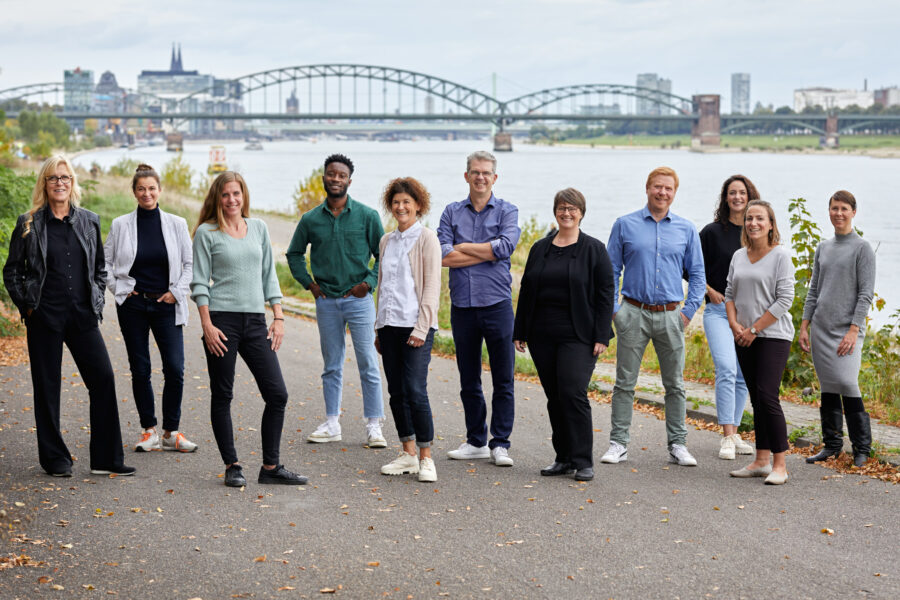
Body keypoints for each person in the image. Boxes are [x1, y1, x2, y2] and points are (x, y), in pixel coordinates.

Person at [3, 155, 134, 477]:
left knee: (103, 378)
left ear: (72, 182)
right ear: (44, 184)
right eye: (53, 178)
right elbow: (12, 272)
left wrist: (97, 300)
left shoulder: (89, 220)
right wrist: (29, 308)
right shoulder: (29, 223)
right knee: (47, 388)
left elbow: (100, 269)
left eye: (65, 177)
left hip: (82, 316)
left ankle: (106, 458)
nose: (60, 183)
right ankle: (55, 459)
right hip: (44, 317)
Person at [191, 171, 306, 487]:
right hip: (221, 322)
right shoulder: (207, 233)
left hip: (255, 321)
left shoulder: (258, 228)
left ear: (244, 196)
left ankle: (271, 468)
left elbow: (269, 275)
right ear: (218, 197)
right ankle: (232, 465)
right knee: (223, 394)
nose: (231, 200)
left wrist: (278, 316)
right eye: (225, 194)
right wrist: (207, 325)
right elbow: (199, 282)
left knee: (277, 394)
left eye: (236, 194)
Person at [602, 167, 705, 467]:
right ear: (647, 188)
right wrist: (615, 311)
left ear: (674, 192)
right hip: (632, 312)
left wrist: (687, 313)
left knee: (675, 385)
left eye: (668, 188)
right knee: (624, 383)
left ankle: (678, 444)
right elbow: (611, 271)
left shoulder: (686, 229)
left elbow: (698, 275)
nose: (662, 193)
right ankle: (618, 443)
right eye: (657, 187)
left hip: (672, 315)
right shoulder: (625, 225)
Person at [513, 189, 614, 482]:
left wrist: (601, 336)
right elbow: (527, 290)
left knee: (572, 392)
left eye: (572, 208)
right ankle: (563, 457)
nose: (566, 213)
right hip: (542, 335)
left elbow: (606, 293)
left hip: (579, 336)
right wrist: (520, 331)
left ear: (581, 212)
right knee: (555, 397)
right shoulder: (540, 248)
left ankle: (583, 460)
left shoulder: (594, 249)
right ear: (555, 212)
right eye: (561, 208)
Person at [286, 154, 386, 447]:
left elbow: (384, 254)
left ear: (349, 181)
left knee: (368, 362)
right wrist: (309, 285)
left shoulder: (367, 216)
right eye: (332, 174)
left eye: (342, 175)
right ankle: (332, 423)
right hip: (327, 301)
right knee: (332, 364)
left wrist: (369, 283)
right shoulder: (311, 219)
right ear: (324, 178)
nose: (336, 179)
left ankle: (374, 426)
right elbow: (293, 254)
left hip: (359, 300)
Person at [104, 164, 197, 453]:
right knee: (140, 368)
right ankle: (149, 431)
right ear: (134, 192)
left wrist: (176, 292)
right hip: (133, 305)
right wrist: (119, 290)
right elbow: (103, 265)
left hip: (166, 304)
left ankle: (171, 431)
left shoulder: (177, 224)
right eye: (141, 189)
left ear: (159, 190)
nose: (147, 193)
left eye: (151, 188)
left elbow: (189, 266)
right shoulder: (121, 225)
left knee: (175, 367)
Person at [437, 151, 520, 467]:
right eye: (475, 172)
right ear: (466, 176)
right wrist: (488, 251)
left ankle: (500, 443)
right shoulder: (451, 212)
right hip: (462, 306)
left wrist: (463, 247)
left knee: (503, 378)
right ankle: (476, 441)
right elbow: (443, 255)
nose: (480, 177)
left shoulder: (508, 210)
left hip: (498, 305)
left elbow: (506, 247)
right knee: (468, 378)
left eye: (486, 173)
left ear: (494, 178)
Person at [800, 190, 876, 468]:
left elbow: (865, 294)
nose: (839, 213)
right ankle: (831, 446)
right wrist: (805, 325)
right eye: (834, 208)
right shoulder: (823, 247)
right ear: (829, 210)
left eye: (844, 208)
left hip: (847, 329)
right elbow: (814, 290)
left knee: (847, 382)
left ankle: (862, 448)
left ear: (853, 212)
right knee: (828, 386)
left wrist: (854, 330)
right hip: (821, 327)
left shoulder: (862, 248)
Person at [374, 178, 441, 483]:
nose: (401, 207)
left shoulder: (427, 239)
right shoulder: (387, 241)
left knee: (416, 390)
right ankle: (408, 454)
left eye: (406, 202)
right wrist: (379, 326)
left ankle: (426, 458)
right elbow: (383, 286)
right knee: (397, 392)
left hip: (416, 327)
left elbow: (431, 288)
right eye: (396, 202)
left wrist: (422, 327)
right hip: (389, 326)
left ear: (418, 205)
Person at [725, 200, 795, 485]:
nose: (753, 223)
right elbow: (729, 292)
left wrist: (753, 329)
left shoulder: (780, 257)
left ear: (770, 224)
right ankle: (761, 460)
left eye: (760, 219)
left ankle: (780, 464)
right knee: (756, 398)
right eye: (749, 218)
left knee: (767, 395)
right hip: (742, 335)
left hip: (773, 336)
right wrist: (734, 325)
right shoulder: (739, 256)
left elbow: (785, 300)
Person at [698, 175, 758, 460]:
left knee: (743, 375)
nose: (737, 197)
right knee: (726, 368)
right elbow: (690, 267)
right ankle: (726, 436)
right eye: (732, 193)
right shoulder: (711, 232)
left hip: (749, 313)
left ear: (750, 197)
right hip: (719, 312)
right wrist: (709, 290)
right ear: (725, 198)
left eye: (742, 193)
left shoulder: (757, 231)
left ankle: (735, 434)